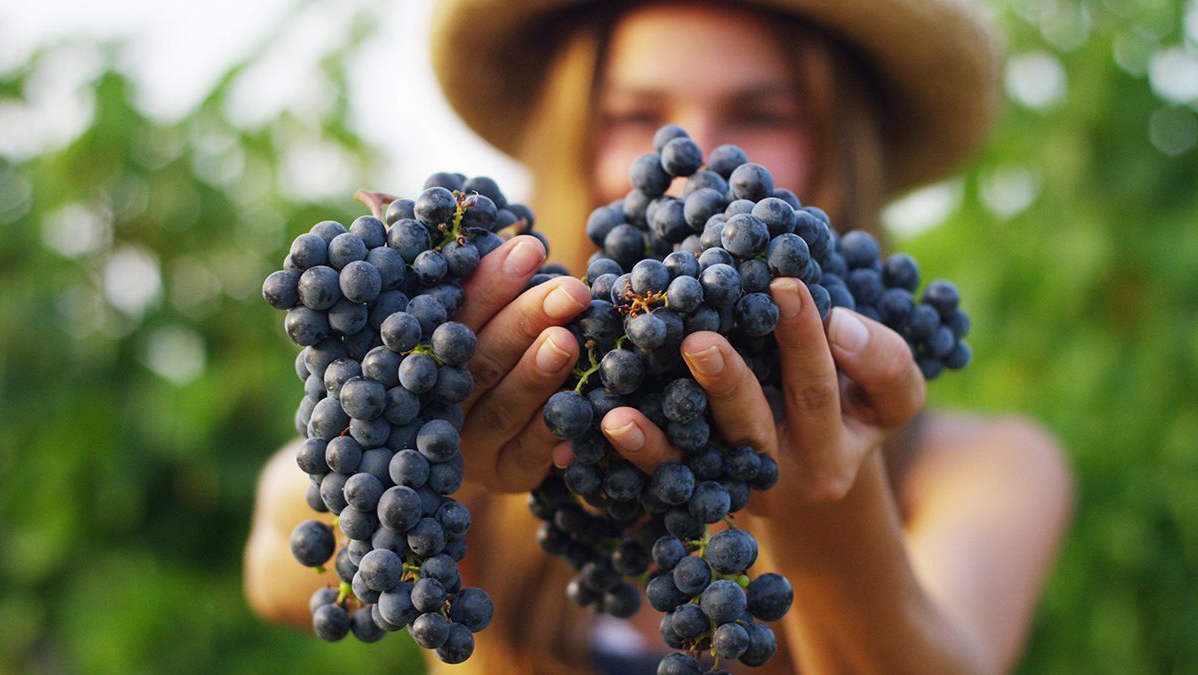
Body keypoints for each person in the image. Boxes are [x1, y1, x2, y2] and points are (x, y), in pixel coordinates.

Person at [244, 0, 1074, 673]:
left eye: (761, 111)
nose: (688, 158)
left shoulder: (987, 466)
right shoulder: (522, 375)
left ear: (838, 144)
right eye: (633, 113)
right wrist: (450, 442)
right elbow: (281, 561)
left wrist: (829, 503)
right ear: (570, 134)